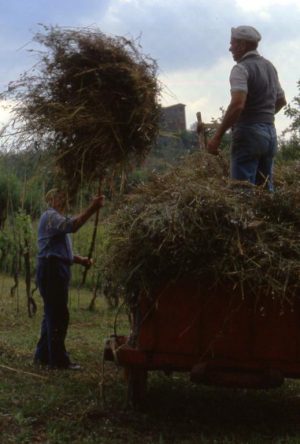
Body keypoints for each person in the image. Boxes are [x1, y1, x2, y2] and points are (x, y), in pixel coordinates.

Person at [205, 25, 287, 191]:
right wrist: (263, 119)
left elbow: (237, 104)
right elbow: (281, 100)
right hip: (270, 134)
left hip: (249, 134)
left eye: (232, 44)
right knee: (264, 191)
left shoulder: (240, 69)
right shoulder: (269, 67)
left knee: (242, 193)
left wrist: (217, 137)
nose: (230, 49)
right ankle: (266, 217)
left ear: (242, 45)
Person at [34, 189, 105, 370]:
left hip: (55, 268)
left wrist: (80, 260)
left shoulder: (56, 219)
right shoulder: (50, 216)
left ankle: (42, 356)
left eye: (64, 197)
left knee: (51, 313)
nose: (63, 200)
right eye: (59, 197)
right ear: (50, 199)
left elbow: (60, 251)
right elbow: (73, 226)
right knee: (58, 315)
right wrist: (93, 208)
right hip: (52, 270)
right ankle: (57, 361)